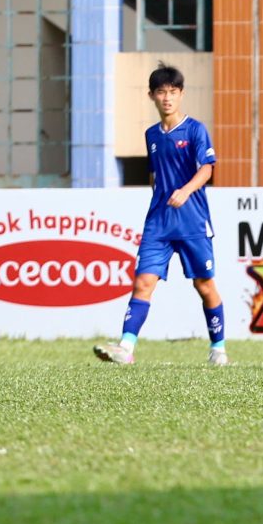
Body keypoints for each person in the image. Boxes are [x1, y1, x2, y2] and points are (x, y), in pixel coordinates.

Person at [93, 63, 227, 366]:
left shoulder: (195, 130)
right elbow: (156, 174)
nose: (167, 98)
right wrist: (163, 197)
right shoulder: (151, 134)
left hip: (192, 221)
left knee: (204, 286)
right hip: (159, 223)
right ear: (152, 95)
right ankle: (126, 348)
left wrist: (186, 190)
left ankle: (218, 348)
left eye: (173, 92)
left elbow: (206, 169)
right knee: (143, 282)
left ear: (181, 95)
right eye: (162, 92)